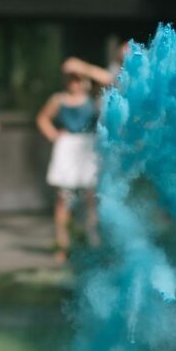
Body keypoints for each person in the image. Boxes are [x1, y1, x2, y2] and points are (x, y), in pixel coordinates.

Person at [36, 57, 113, 263]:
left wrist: (85, 67)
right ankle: (62, 246)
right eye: (71, 79)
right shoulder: (58, 100)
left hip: (87, 149)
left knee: (90, 200)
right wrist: (53, 135)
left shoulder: (93, 98)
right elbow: (42, 118)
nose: (74, 83)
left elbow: (112, 80)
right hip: (67, 149)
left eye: (78, 79)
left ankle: (92, 242)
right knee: (63, 200)